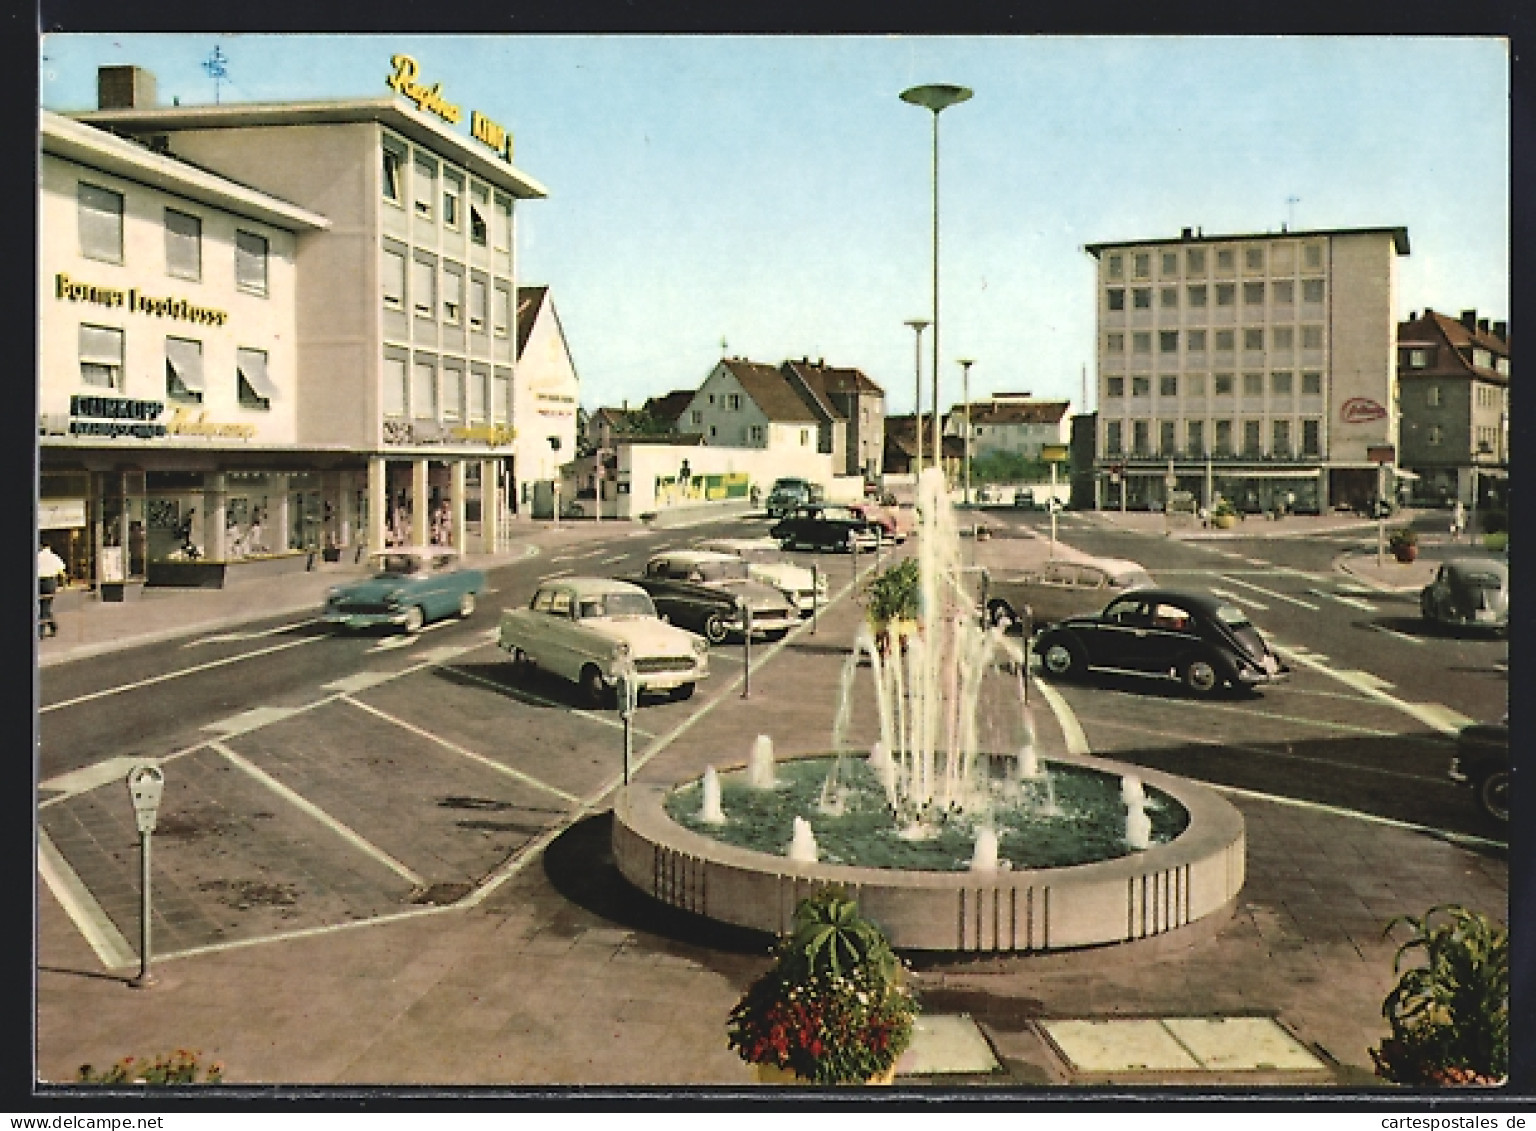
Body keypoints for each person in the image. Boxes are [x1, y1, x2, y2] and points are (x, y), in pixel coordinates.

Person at [38, 544, 66, 639]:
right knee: (45, 605)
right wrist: (63, 584)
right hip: (50, 582)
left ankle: (41, 631)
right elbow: (61, 570)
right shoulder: (54, 557)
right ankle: (52, 626)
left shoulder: (37, 556)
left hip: (38, 581)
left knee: (42, 606)